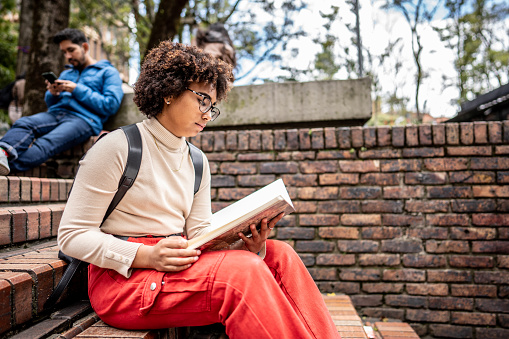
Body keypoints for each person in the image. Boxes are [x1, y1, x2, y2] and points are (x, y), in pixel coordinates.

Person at [57, 41, 340, 339]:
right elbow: (73, 236)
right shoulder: (117, 146)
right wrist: (146, 256)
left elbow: (201, 235)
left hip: (176, 263)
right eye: (202, 99)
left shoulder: (197, 161)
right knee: (243, 274)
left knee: (279, 255)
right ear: (168, 91)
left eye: (212, 106)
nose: (207, 114)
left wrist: (247, 246)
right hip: (122, 282)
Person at [0, 28, 124, 175]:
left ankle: (8, 167)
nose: (68, 56)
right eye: (64, 52)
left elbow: (110, 104)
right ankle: (3, 153)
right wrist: (52, 93)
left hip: (84, 120)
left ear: (84, 47)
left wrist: (77, 89)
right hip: (56, 114)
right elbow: (52, 104)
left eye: (71, 50)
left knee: (46, 143)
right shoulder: (67, 73)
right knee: (24, 122)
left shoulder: (107, 72)